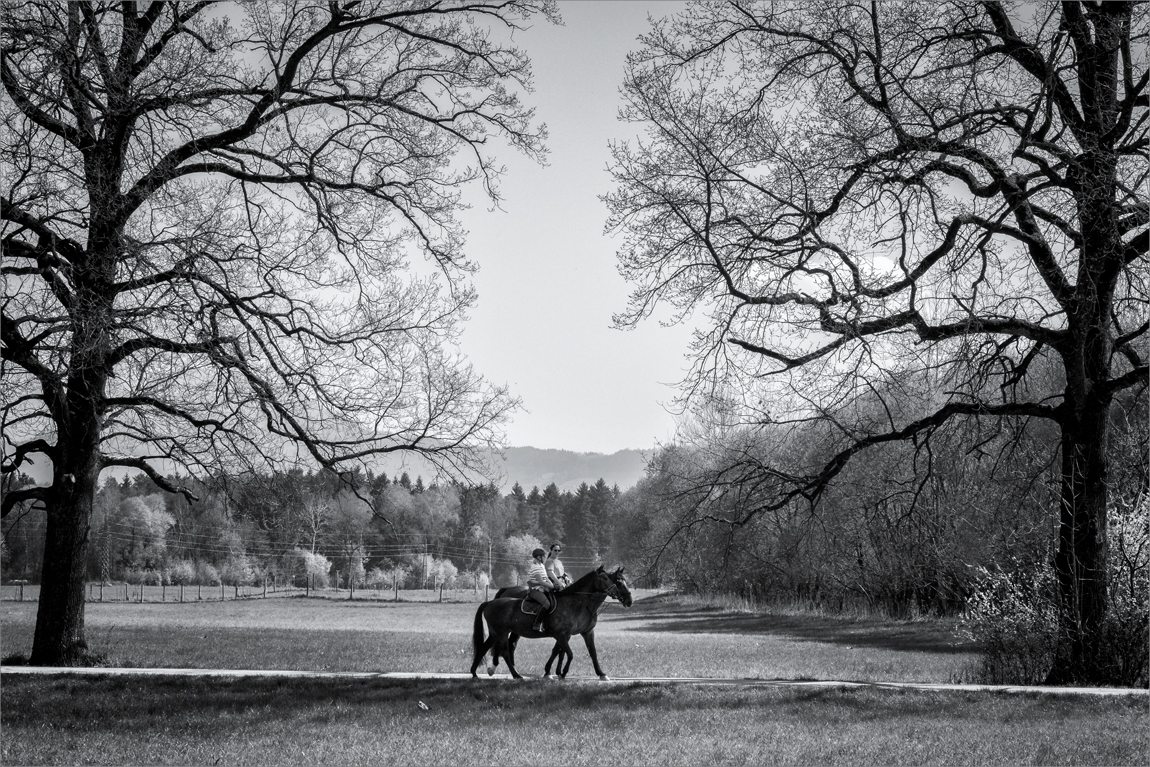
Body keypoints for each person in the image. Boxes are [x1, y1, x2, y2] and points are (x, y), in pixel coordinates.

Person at [526, 547, 558, 632]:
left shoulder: (541, 566)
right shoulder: (535, 567)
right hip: (535, 590)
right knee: (547, 604)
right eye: (543, 556)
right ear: (539, 557)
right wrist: (552, 587)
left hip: (544, 588)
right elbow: (541, 582)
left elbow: (546, 578)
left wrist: (553, 585)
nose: (545, 558)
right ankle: (537, 624)